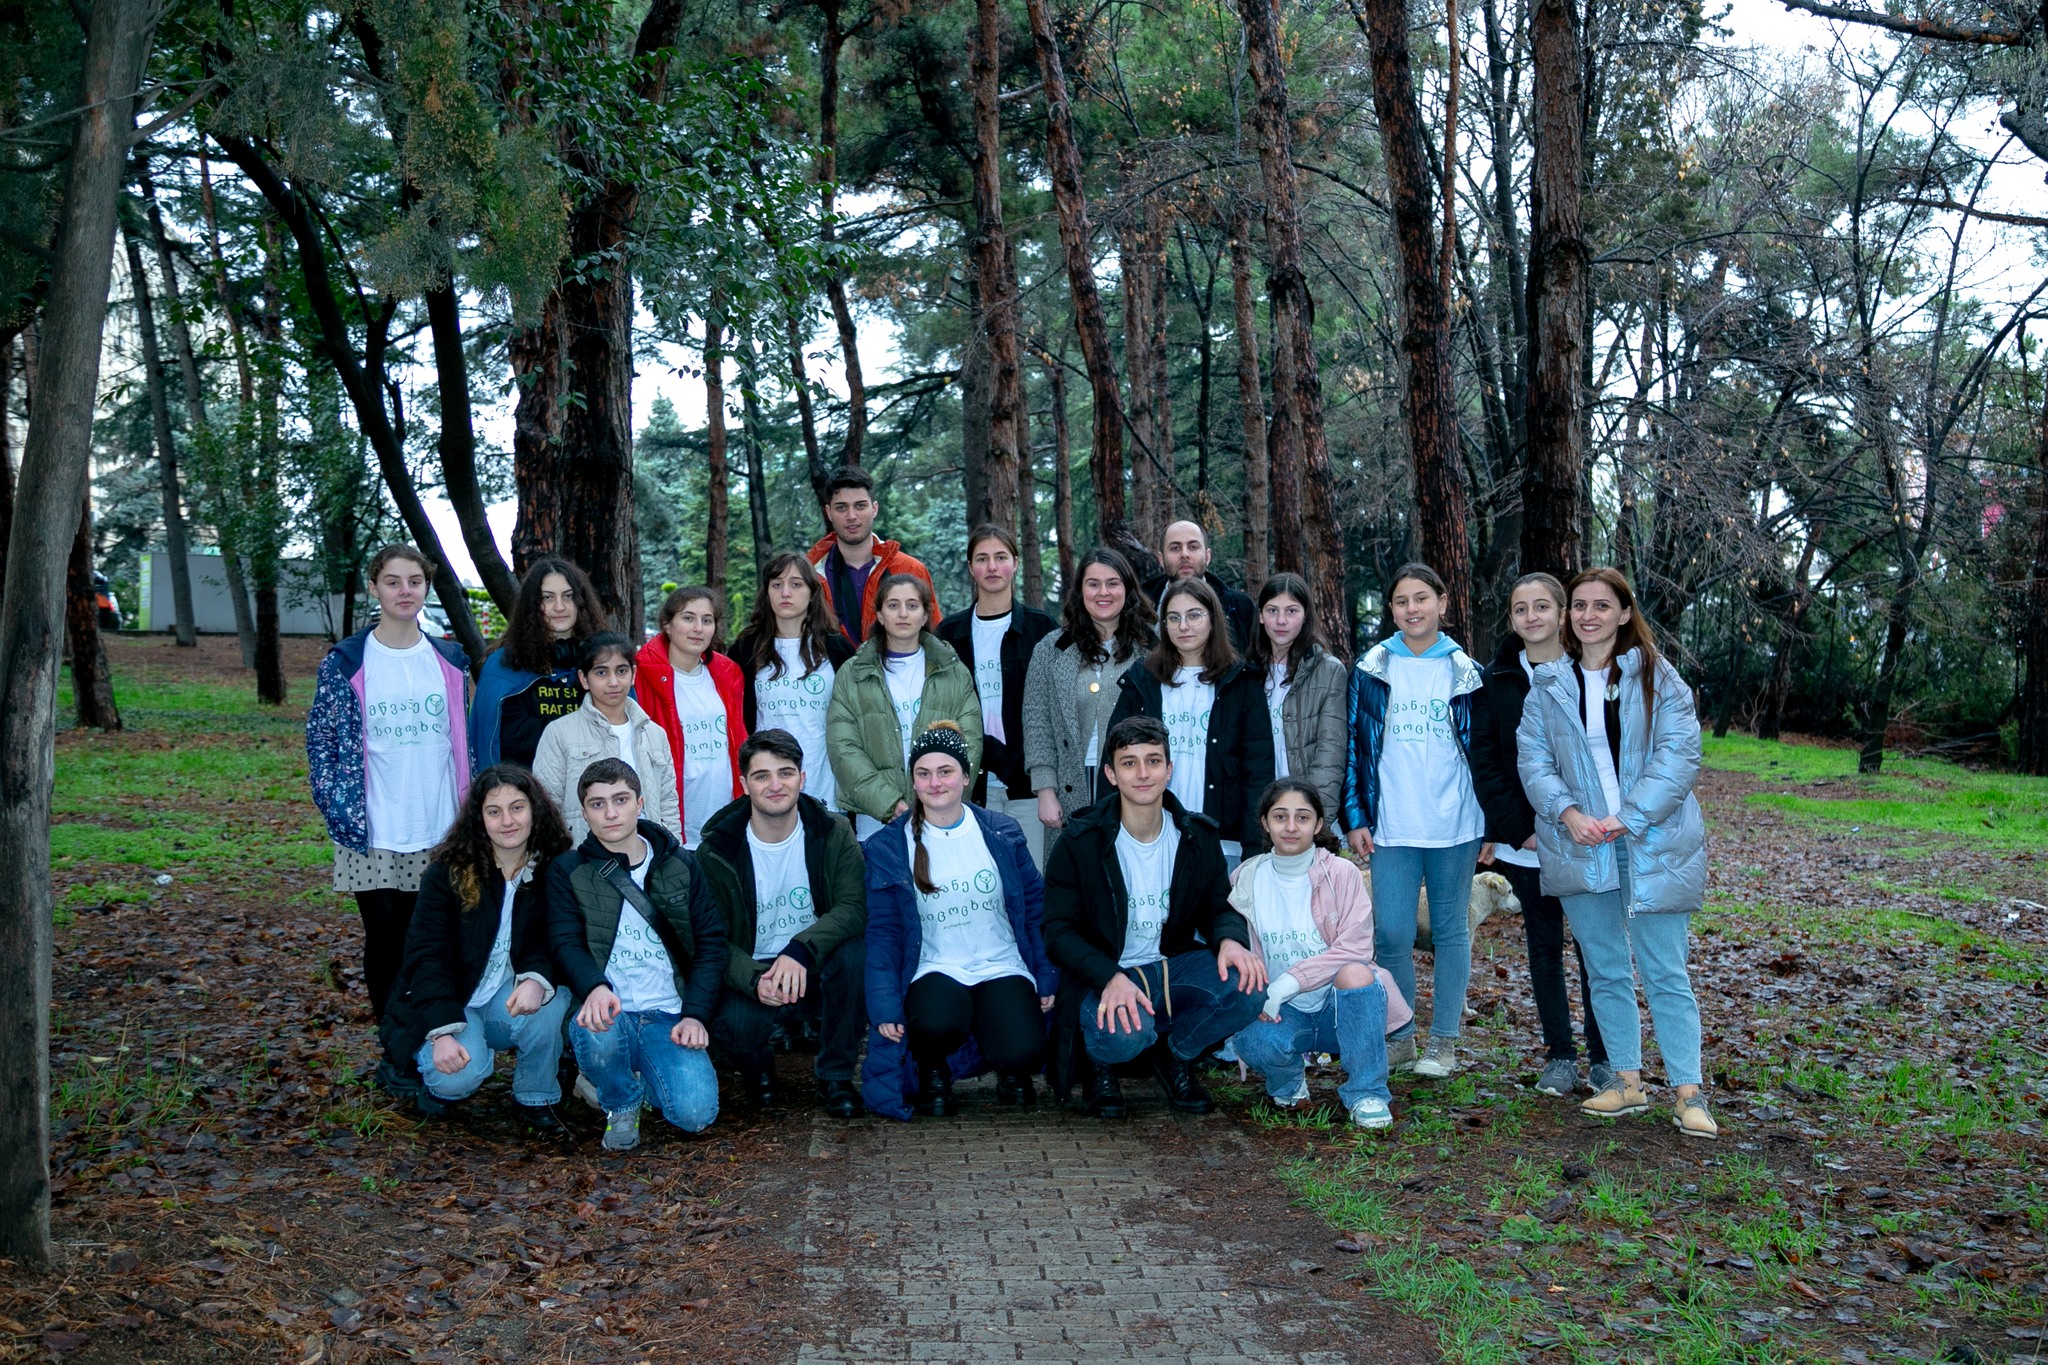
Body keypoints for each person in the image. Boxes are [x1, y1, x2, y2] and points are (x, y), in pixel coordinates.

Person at [1517, 568, 1715, 1139]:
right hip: (1580, 844)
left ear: (1625, 613)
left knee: (1664, 970)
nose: (1589, 615)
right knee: (1604, 968)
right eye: (1579, 605)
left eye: (1602, 605)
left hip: (1652, 843)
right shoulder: (1548, 685)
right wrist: (1568, 814)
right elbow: (1534, 760)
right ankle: (1626, 1082)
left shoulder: (1658, 677)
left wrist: (1627, 818)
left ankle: (1689, 1093)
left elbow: (1680, 756)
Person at [1041, 716, 1267, 1118]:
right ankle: (1099, 1065)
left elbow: (1219, 907)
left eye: (1153, 761)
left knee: (1247, 986)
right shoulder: (1079, 841)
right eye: (1129, 763)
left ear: (1169, 768)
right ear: (1111, 774)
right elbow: (1057, 931)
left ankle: (1176, 1054)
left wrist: (1231, 940)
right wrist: (1109, 976)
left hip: (1169, 968)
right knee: (1127, 1035)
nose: (1143, 773)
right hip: (1104, 973)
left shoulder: (1197, 837)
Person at [308, 543, 472, 1026]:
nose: (405, 591)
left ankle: (434, 1037)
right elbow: (321, 739)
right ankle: (394, 1043)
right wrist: (337, 804)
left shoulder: (450, 660)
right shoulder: (346, 661)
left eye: (415, 582)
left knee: (433, 940)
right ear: (374, 587)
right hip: (374, 831)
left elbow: (462, 741)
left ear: (427, 587)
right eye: (393, 582)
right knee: (385, 941)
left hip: (440, 827)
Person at [861, 723, 1056, 1119]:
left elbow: (1035, 907)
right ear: (913, 781)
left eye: (945, 771)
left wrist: (1045, 973)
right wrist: (884, 1006)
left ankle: (1010, 1067)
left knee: (1025, 1046)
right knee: (935, 1023)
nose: (935, 783)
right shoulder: (890, 846)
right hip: (934, 968)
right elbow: (883, 933)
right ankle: (933, 1068)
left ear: (966, 777)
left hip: (1000, 964)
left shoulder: (1002, 832)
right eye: (924, 773)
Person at [1469, 573, 1612, 1100]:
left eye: (1542, 607)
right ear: (1511, 618)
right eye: (1520, 609)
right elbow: (1486, 760)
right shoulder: (1495, 679)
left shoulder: (1589, 670)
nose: (1532, 617)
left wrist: (1591, 821)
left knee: (1595, 950)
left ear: (1562, 613)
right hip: (1528, 842)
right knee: (1544, 949)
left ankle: (1605, 1058)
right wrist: (1520, 830)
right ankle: (1560, 1056)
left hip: (1588, 837)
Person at [1340, 563, 1486, 1080]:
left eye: (1422, 598)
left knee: (1450, 932)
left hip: (1456, 825)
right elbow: (1354, 748)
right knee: (1392, 934)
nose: (1412, 608)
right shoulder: (1371, 668)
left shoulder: (1466, 671)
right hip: (1391, 825)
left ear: (1442, 603)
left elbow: (1485, 753)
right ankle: (1400, 1037)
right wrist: (1355, 816)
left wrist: (1491, 823)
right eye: (1401, 601)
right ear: (1392, 610)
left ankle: (1443, 1041)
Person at [378, 765, 573, 1129]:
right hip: (451, 1002)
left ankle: (537, 1095)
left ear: (534, 811)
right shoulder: (448, 872)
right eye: (494, 811)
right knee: (458, 1077)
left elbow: (554, 938)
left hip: (503, 1000)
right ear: (479, 819)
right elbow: (426, 956)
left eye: (517, 808)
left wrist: (536, 976)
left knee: (553, 997)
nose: (507, 821)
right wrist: (441, 1031)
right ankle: (430, 1077)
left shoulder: (552, 869)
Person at [549, 758, 728, 1150]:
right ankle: (621, 1103)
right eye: (597, 804)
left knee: (695, 1115)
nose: (611, 813)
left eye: (621, 799)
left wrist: (696, 1014)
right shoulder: (568, 870)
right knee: (595, 1028)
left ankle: (616, 1079)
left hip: (669, 1014)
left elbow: (712, 943)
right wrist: (594, 987)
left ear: (640, 803)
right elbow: (565, 942)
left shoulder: (681, 864)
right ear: (584, 813)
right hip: (610, 1011)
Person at [699, 729, 869, 1118]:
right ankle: (758, 1074)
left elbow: (853, 908)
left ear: (802, 778)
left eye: (786, 773)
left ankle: (836, 1076)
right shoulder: (717, 851)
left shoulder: (833, 831)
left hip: (812, 960)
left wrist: (801, 949)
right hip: (754, 967)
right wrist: (753, 977)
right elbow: (711, 939)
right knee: (734, 1023)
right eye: (762, 776)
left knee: (855, 955)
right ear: (744, 784)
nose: (775, 785)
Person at [1226, 780, 1410, 1129]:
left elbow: (1356, 947)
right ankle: (1288, 1082)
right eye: (1280, 816)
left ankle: (1367, 1092)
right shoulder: (1246, 877)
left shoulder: (1342, 873)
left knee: (1356, 973)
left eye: (1302, 817)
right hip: (1281, 1012)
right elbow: (1235, 943)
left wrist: (1287, 983)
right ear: (1265, 822)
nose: (1291, 827)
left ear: (1318, 824)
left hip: (1338, 1008)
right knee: (1252, 1040)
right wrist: (1261, 993)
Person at [1107, 576, 1273, 868]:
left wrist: (1254, 851)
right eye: (1174, 618)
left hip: (1223, 841)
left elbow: (1258, 774)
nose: (1183, 626)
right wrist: (1108, 834)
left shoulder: (1241, 684)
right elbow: (1114, 759)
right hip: (1150, 837)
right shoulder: (1143, 681)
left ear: (1213, 619)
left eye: (1194, 615)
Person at [826, 573, 983, 840]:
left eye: (912, 605)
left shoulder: (953, 671)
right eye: (893, 605)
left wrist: (937, 796)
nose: (903, 613)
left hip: (941, 812)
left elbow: (970, 741)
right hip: (877, 818)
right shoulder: (852, 674)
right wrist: (888, 803)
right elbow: (844, 748)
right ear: (879, 615)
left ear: (925, 616)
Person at [934, 524, 1057, 865]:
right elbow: (941, 709)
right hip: (970, 785)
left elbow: (1053, 710)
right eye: (982, 559)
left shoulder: (1041, 628)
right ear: (970, 567)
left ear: (1015, 564)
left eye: (1001, 557)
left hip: (1028, 785)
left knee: (1030, 880)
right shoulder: (949, 634)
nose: (992, 567)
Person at [1021, 547, 1155, 835]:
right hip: (1069, 786)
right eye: (1093, 584)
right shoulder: (1051, 649)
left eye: (1112, 583)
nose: (1103, 592)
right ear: (1080, 591)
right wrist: (1045, 790)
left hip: (1133, 782)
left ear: (1127, 589)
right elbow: (1036, 723)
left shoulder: (1150, 650)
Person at [730, 553, 858, 814]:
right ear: (767, 593)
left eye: (796, 584)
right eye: (777, 584)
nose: (785, 592)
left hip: (827, 784)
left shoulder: (837, 648)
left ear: (812, 593)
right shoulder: (746, 649)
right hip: (768, 785)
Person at [533, 633, 682, 845]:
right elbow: (546, 808)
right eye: (601, 672)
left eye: (621, 671)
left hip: (647, 852)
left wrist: (673, 853)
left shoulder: (654, 733)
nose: (613, 682)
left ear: (633, 675)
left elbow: (668, 803)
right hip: (583, 855)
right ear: (584, 679)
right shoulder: (559, 733)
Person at [633, 586, 748, 848]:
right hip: (674, 819)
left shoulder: (728, 674)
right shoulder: (643, 676)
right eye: (688, 618)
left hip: (726, 816)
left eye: (707, 620)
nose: (698, 628)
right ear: (667, 625)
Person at [470, 557, 610, 770]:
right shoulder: (503, 665)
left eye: (568, 596)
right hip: (527, 786)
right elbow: (512, 737)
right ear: (533, 605)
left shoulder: (605, 661)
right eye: (547, 597)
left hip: (598, 785)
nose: (559, 606)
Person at [1245, 572, 1350, 821]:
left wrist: (1312, 818)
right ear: (1260, 616)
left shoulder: (1329, 671)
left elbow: (1330, 754)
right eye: (1272, 611)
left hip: (1306, 812)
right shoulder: (1245, 672)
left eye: (1291, 611)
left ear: (1305, 616)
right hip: (1257, 811)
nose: (1281, 620)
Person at [806, 465, 941, 643]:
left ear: (874, 508)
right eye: (841, 508)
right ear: (829, 513)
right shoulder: (809, 574)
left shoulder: (910, 569)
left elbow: (933, 638)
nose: (851, 516)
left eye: (860, 506)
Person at [1140, 519, 1255, 652]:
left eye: (1193, 547)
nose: (1184, 554)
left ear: (1207, 556)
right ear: (1161, 560)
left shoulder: (1238, 607)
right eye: (1175, 548)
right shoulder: (1138, 605)